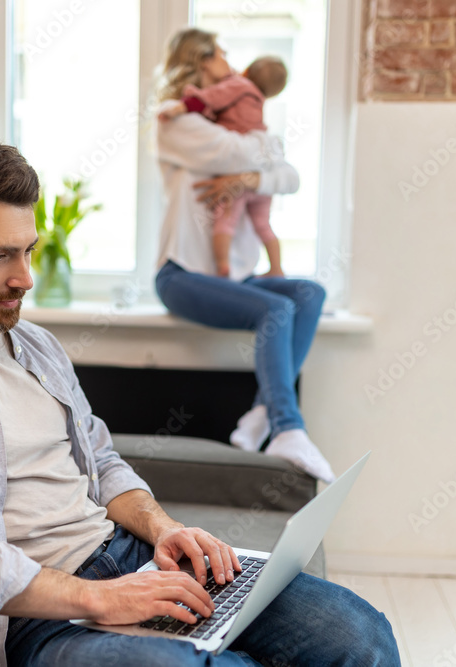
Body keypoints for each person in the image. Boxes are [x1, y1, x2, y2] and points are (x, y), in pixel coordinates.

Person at [0, 139, 399, 666]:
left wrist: (162, 528)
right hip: (39, 618)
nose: (25, 278)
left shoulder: (36, 346)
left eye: (29, 251)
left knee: (360, 635)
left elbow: (100, 459)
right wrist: (100, 599)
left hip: (133, 557)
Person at [154, 28, 335, 483]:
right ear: (201, 61)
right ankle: (287, 427)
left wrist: (248, 180)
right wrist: (263, 158)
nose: (229, 60)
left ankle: (260, 413)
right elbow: (243, 151)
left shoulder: (230, 119)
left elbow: (290, 176)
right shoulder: (176, 122)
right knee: (276, 309)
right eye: (220, 53)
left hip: (235, 277)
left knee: (309, 294)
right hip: (182, 275)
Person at [160, 55, 289, 278]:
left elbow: (210, 98)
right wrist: (262, 171)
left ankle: (223, 266)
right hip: (261, 180)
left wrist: (182, 107)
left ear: (246, 71)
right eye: (219, 55)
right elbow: (278, 158)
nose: (227, 61)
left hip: (238, 177)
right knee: (263, 224)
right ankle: (276, 268)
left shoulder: (238, 86)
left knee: (225, 221)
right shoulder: (257, 100)